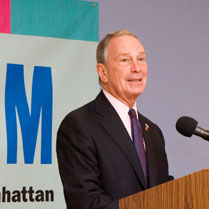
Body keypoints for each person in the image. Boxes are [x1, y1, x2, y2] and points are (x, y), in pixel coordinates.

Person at [56, 30, 174, 209]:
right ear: (102, 72)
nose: (137, 68)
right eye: (125, 60)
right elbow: (86, 201)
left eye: (141, 59)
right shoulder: (79, 125)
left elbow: (164, 193)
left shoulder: (153, 132)